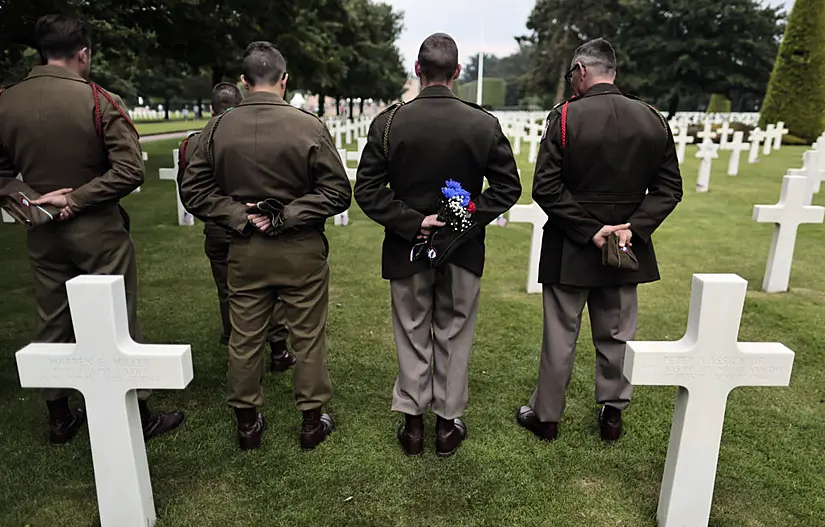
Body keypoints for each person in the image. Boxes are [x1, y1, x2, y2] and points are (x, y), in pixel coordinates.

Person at [0, 14, 185, 444]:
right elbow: (129, 170)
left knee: (52, 316)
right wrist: (76, 199)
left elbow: (3, 172)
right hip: (97, 229)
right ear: (84, 53)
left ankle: (59, 416)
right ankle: (139, 414)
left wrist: (31, 202)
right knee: (117, 316)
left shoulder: (6, 101)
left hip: (41, 230)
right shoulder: (98, 99)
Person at [355, 33, 521, 458]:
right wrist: (460, 221)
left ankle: (413, 427)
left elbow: (369, 191)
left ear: (417, 69)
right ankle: (446, 427)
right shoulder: (482, 122)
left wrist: (415, 223)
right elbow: (506, 188)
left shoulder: (389, 122)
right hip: (463, 247)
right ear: (458, 72)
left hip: (407, 245)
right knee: (454, 332)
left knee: (412, 332)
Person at [180, 41, 351, 451]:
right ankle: (311, 421)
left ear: (244, 82)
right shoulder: (309, 126)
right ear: (284, 79)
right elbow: (337, 192)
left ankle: (247, 423)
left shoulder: (217, 127)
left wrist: (243, 216)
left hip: (246, 248)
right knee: (307, 335)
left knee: (245, 335)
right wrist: (285, 216)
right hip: (299, 250)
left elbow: (194, 191)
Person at [516, 38, 683, 443]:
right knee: (618, 334)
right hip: (626, 246)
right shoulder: (652, 119)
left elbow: (546, 187)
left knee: (560, 335)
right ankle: (612, 415)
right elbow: (669, 188)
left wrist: (590, 230)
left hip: (570, 246)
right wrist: (633, 227)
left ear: (581, 71)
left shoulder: (566, 117)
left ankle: (548, 416)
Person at [177, 82, 296, 373]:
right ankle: (278, 348)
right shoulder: (256, 132)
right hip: (259, 222)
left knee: (228, 290)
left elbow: (189, 191)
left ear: (210, 108)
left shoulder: (195, 141)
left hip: (219, 226)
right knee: (271, 288)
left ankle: (238, 349)